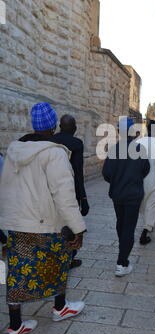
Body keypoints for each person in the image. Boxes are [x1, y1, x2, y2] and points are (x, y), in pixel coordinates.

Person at [0, 103, 87, 334]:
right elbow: (64, 195)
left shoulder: (14, 150)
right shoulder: (55, 153)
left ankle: (15, 326)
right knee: (58, 262)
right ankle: (60, 308)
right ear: (52, 125)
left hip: (18, 223)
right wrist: (78, 227)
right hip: (46, 223)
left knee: (17, 272)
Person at [102, 117, 150, 277]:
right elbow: (145, 170)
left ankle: (122, 254)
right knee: (128, 227)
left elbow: (106, 173)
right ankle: (122, 263)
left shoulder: (114, 149)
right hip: (133, 195)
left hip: (118, 194)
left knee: (121, 223)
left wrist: (117, 181)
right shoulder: (140, 150)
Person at [53, 115, 89, 269]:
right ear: (74, 129)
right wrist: (84, 198)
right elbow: (78, 173)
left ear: (60, 126)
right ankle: (69, 258)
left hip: (51, 190)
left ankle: (55, 257)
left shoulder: (50, 140)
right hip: (70, 191)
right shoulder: (76, 144)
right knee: (71, 226)